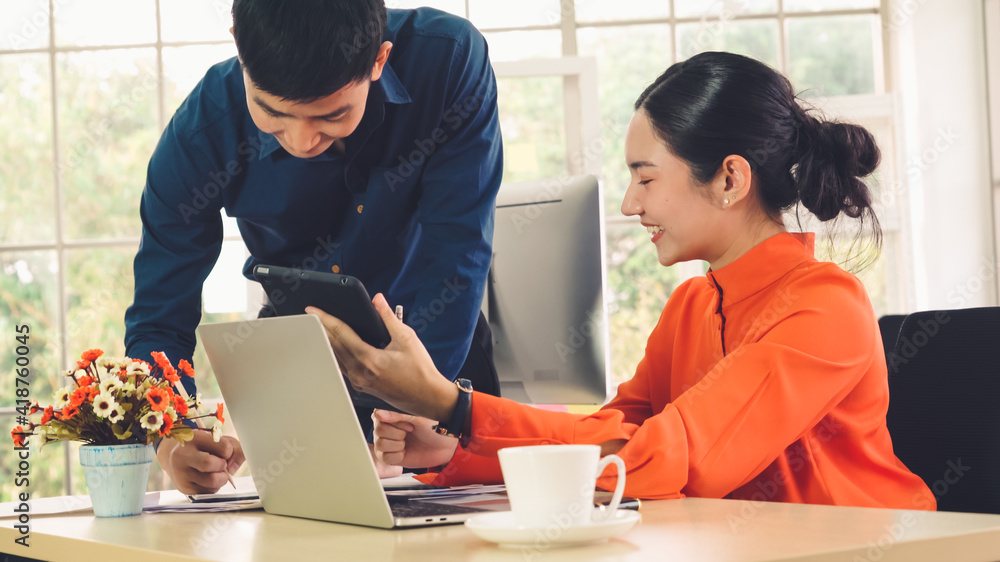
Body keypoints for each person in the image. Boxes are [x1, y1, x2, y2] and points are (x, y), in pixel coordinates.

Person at [309, 51, 937, 509]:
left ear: (729, 180)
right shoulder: (693, 304)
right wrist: (458, 448)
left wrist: (454, 406)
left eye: (646, 177)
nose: (632, 205)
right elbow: (611, 438)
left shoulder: (823, 307)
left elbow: (678, 456)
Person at [124, 0, 503, 494]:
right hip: (299, 366)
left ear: (378, 60)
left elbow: (459, 252)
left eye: (333, 114)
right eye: (274, 114)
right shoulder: (203, 131)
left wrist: (431, 402)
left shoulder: (448, 61)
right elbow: (159, 313)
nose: (302, 141)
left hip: (436, 351)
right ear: (238, 44)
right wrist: (170, 434)